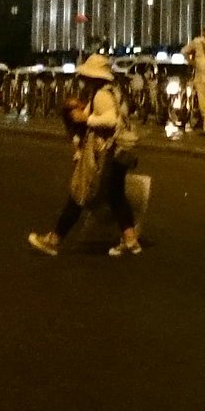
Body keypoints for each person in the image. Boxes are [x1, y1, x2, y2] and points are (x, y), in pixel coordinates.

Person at [27, 54, 143, 258]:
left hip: (105, 151)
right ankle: (131, 240)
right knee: (116, 196)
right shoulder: (114, 90)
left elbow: (111, 120)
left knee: (79, 193)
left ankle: (54, 240)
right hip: (120, 150)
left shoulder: (101, 95)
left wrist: (85, 117)